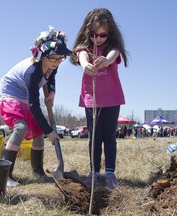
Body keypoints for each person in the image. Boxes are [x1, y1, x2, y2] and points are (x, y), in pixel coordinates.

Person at [0, 26, 72, 187]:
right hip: (11, 93)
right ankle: (5, 175)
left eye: (61, 58)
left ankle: (37, 170)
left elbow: (52, 76)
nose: (58, 62)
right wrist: (50, 131)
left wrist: (51, 91)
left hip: (25, 95)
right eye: (54, 58)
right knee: (21, 128)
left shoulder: (53, 64)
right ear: (43, 56)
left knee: (38, 133)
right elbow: (34, 105)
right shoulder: (32, 72)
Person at [71, 8, 129, 189]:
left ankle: (110, 172)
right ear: (88, 32)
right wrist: (85, 64)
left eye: (102, 35)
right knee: (94, 137)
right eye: (93, 34)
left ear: (109, 33)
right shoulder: (85, 48)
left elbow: (113, 56)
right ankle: (94, 172)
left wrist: (107, 60)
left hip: (112, 99)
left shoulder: (113, 48)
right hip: (91, 100)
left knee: (109, 136)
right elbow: (81, 55)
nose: (97, 38)